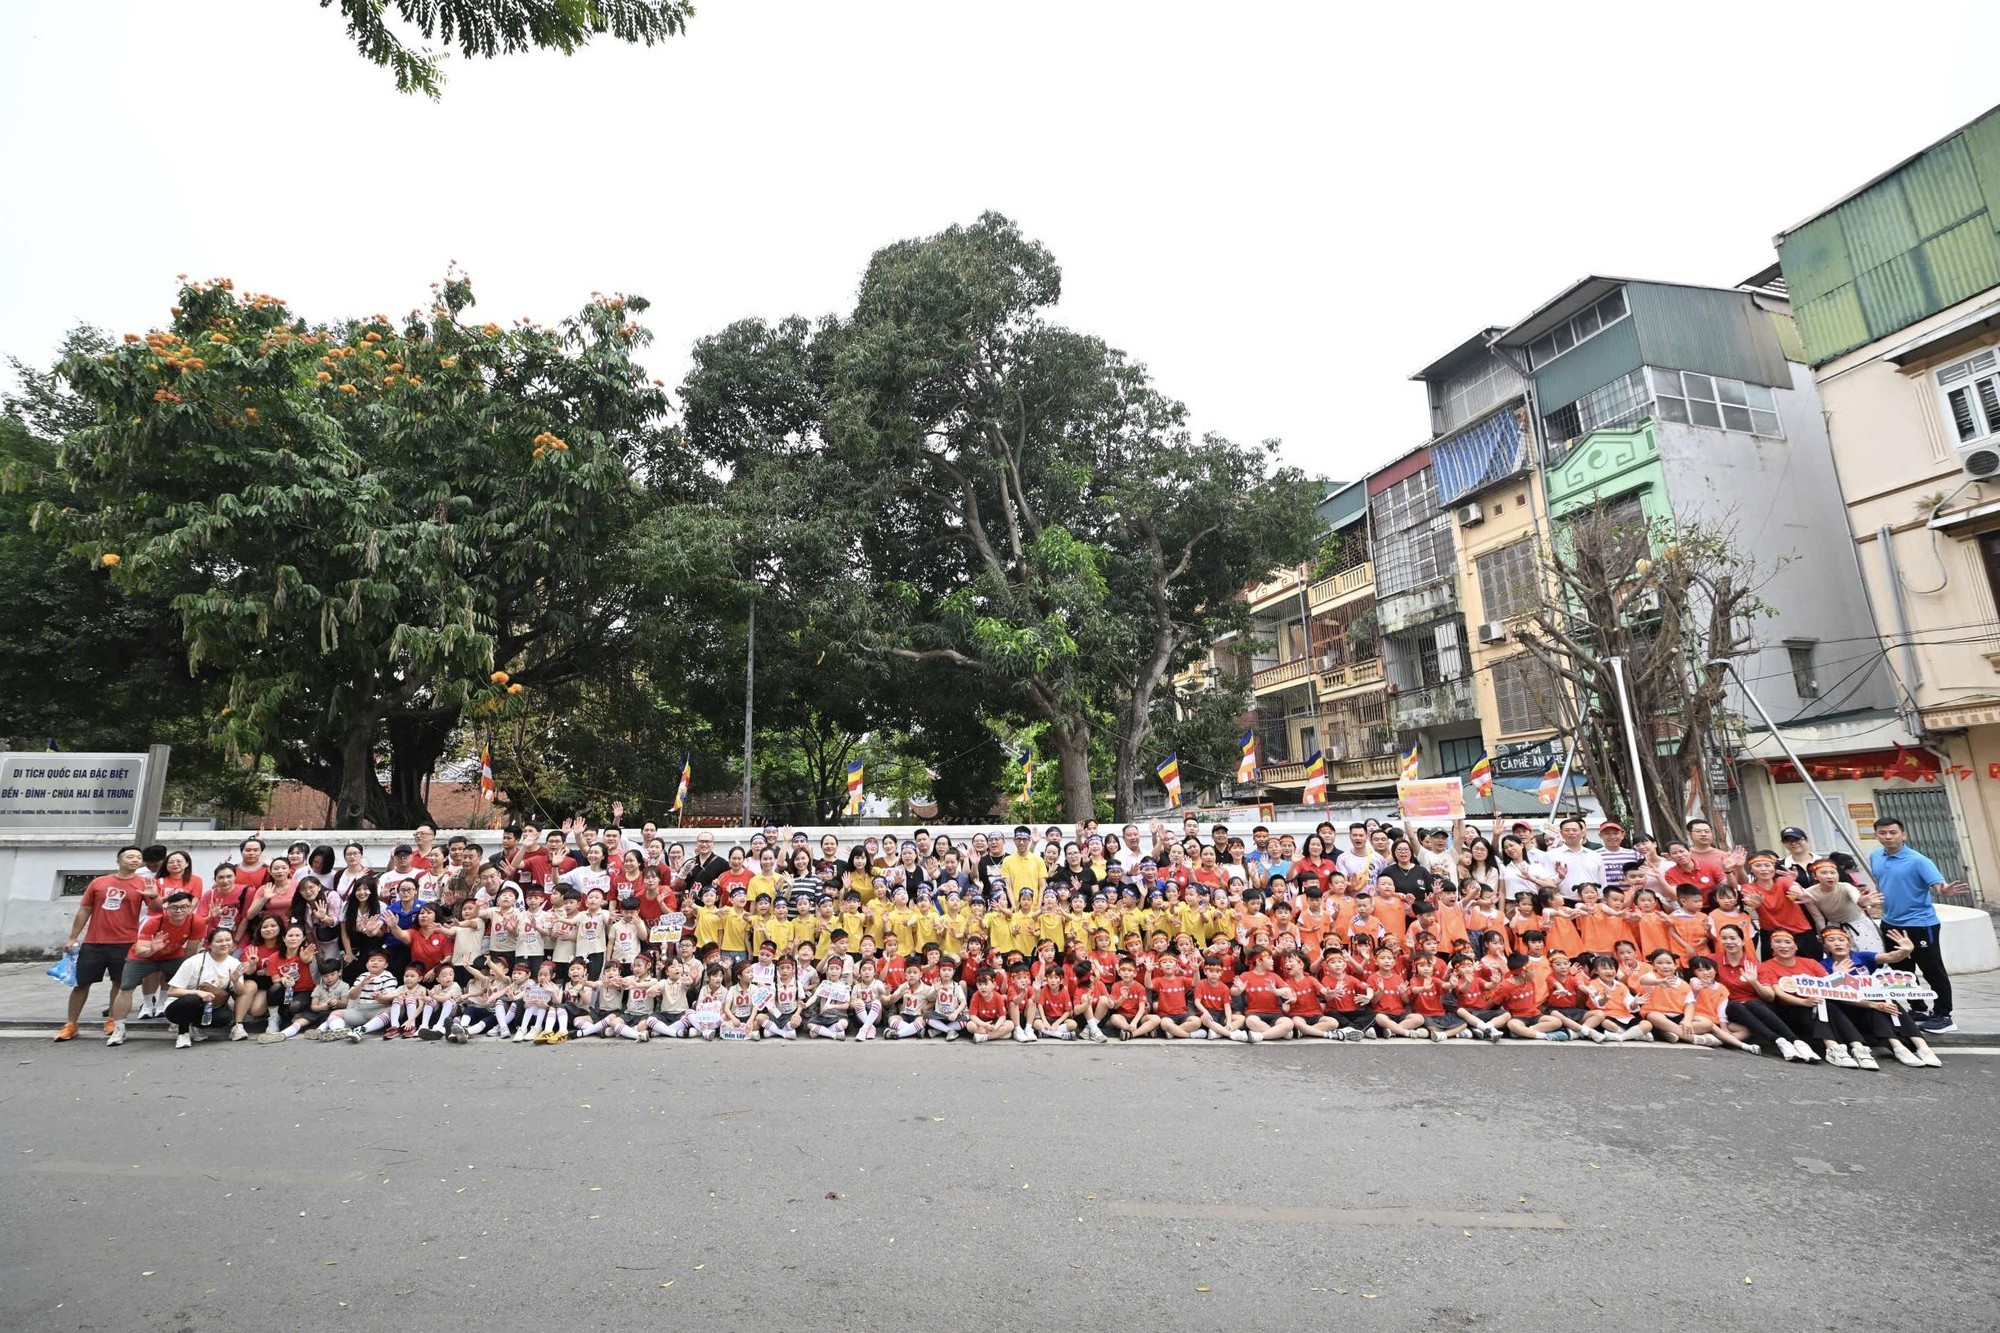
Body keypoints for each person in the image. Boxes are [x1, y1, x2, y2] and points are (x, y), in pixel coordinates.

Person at [1868, 817, 1955, 1033]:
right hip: (1891, 923)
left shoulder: (1918, 860)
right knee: (1901, 970)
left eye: (1893, 832)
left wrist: (1943, 890)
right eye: (1883, 833)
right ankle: (1918, 1008)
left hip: (1920, 924)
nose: (1888, 836)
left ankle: (1944, 1014)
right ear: (1877, 835)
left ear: (1903, 835)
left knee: (1932, 969)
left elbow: (1938, 884)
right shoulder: (1875, 856)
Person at [56, 846, 152, 1042]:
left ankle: (112, 1020)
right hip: (94, 942)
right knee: (82, 984)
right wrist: (74, 937)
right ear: (118, 860)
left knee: (119, 983)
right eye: (130, 856)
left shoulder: (144, 883)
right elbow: (85, 910)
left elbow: (156, 909)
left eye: (138, 858)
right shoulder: (99, 882)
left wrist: (154, 895)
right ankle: (71, 1024)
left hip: (126, 941)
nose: (135, 860)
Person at [161, 927, 243, 1049]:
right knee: (191, 999)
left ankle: (197, 1026)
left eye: (228, 940)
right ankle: (183, 1033)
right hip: (179, 1007)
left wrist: (236, 981)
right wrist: (197, 992)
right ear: (209, 944)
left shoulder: (234, 963)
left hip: (208, 1007)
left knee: (224, 1017)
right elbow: (172, 991)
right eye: (219, 941)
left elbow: (240, 992)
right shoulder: (193, 962)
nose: (224, 944)